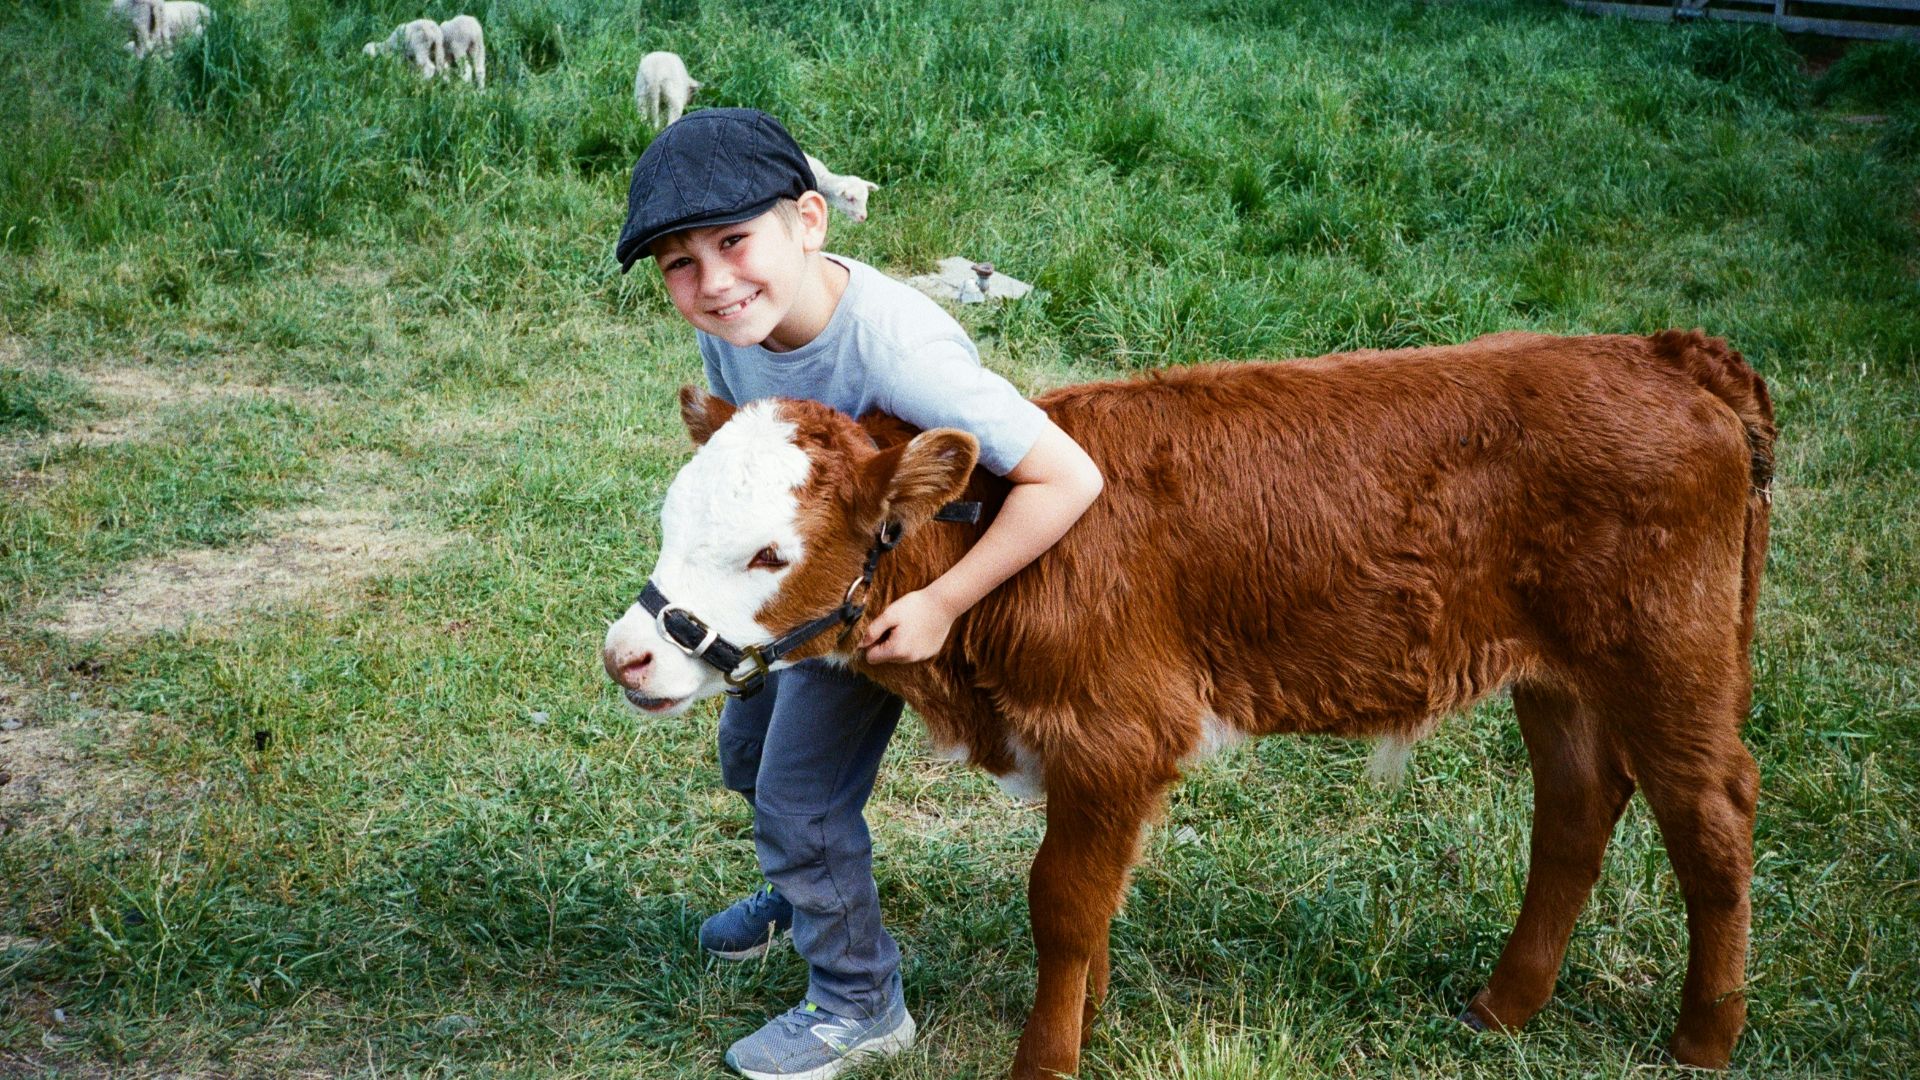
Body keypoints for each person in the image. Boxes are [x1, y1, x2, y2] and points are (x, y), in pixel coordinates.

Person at [615, 108, 1103, 1080]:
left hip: (888, 592)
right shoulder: (736, 328)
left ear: (811, 220)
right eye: (679, 262)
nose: (713, 282)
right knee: (748, 755)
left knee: (799, 798)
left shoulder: (898, 352)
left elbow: (1070, 479)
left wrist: (942, 605)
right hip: (801, 578)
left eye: (734, 241)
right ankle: (803, 895)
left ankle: (856, 1001)